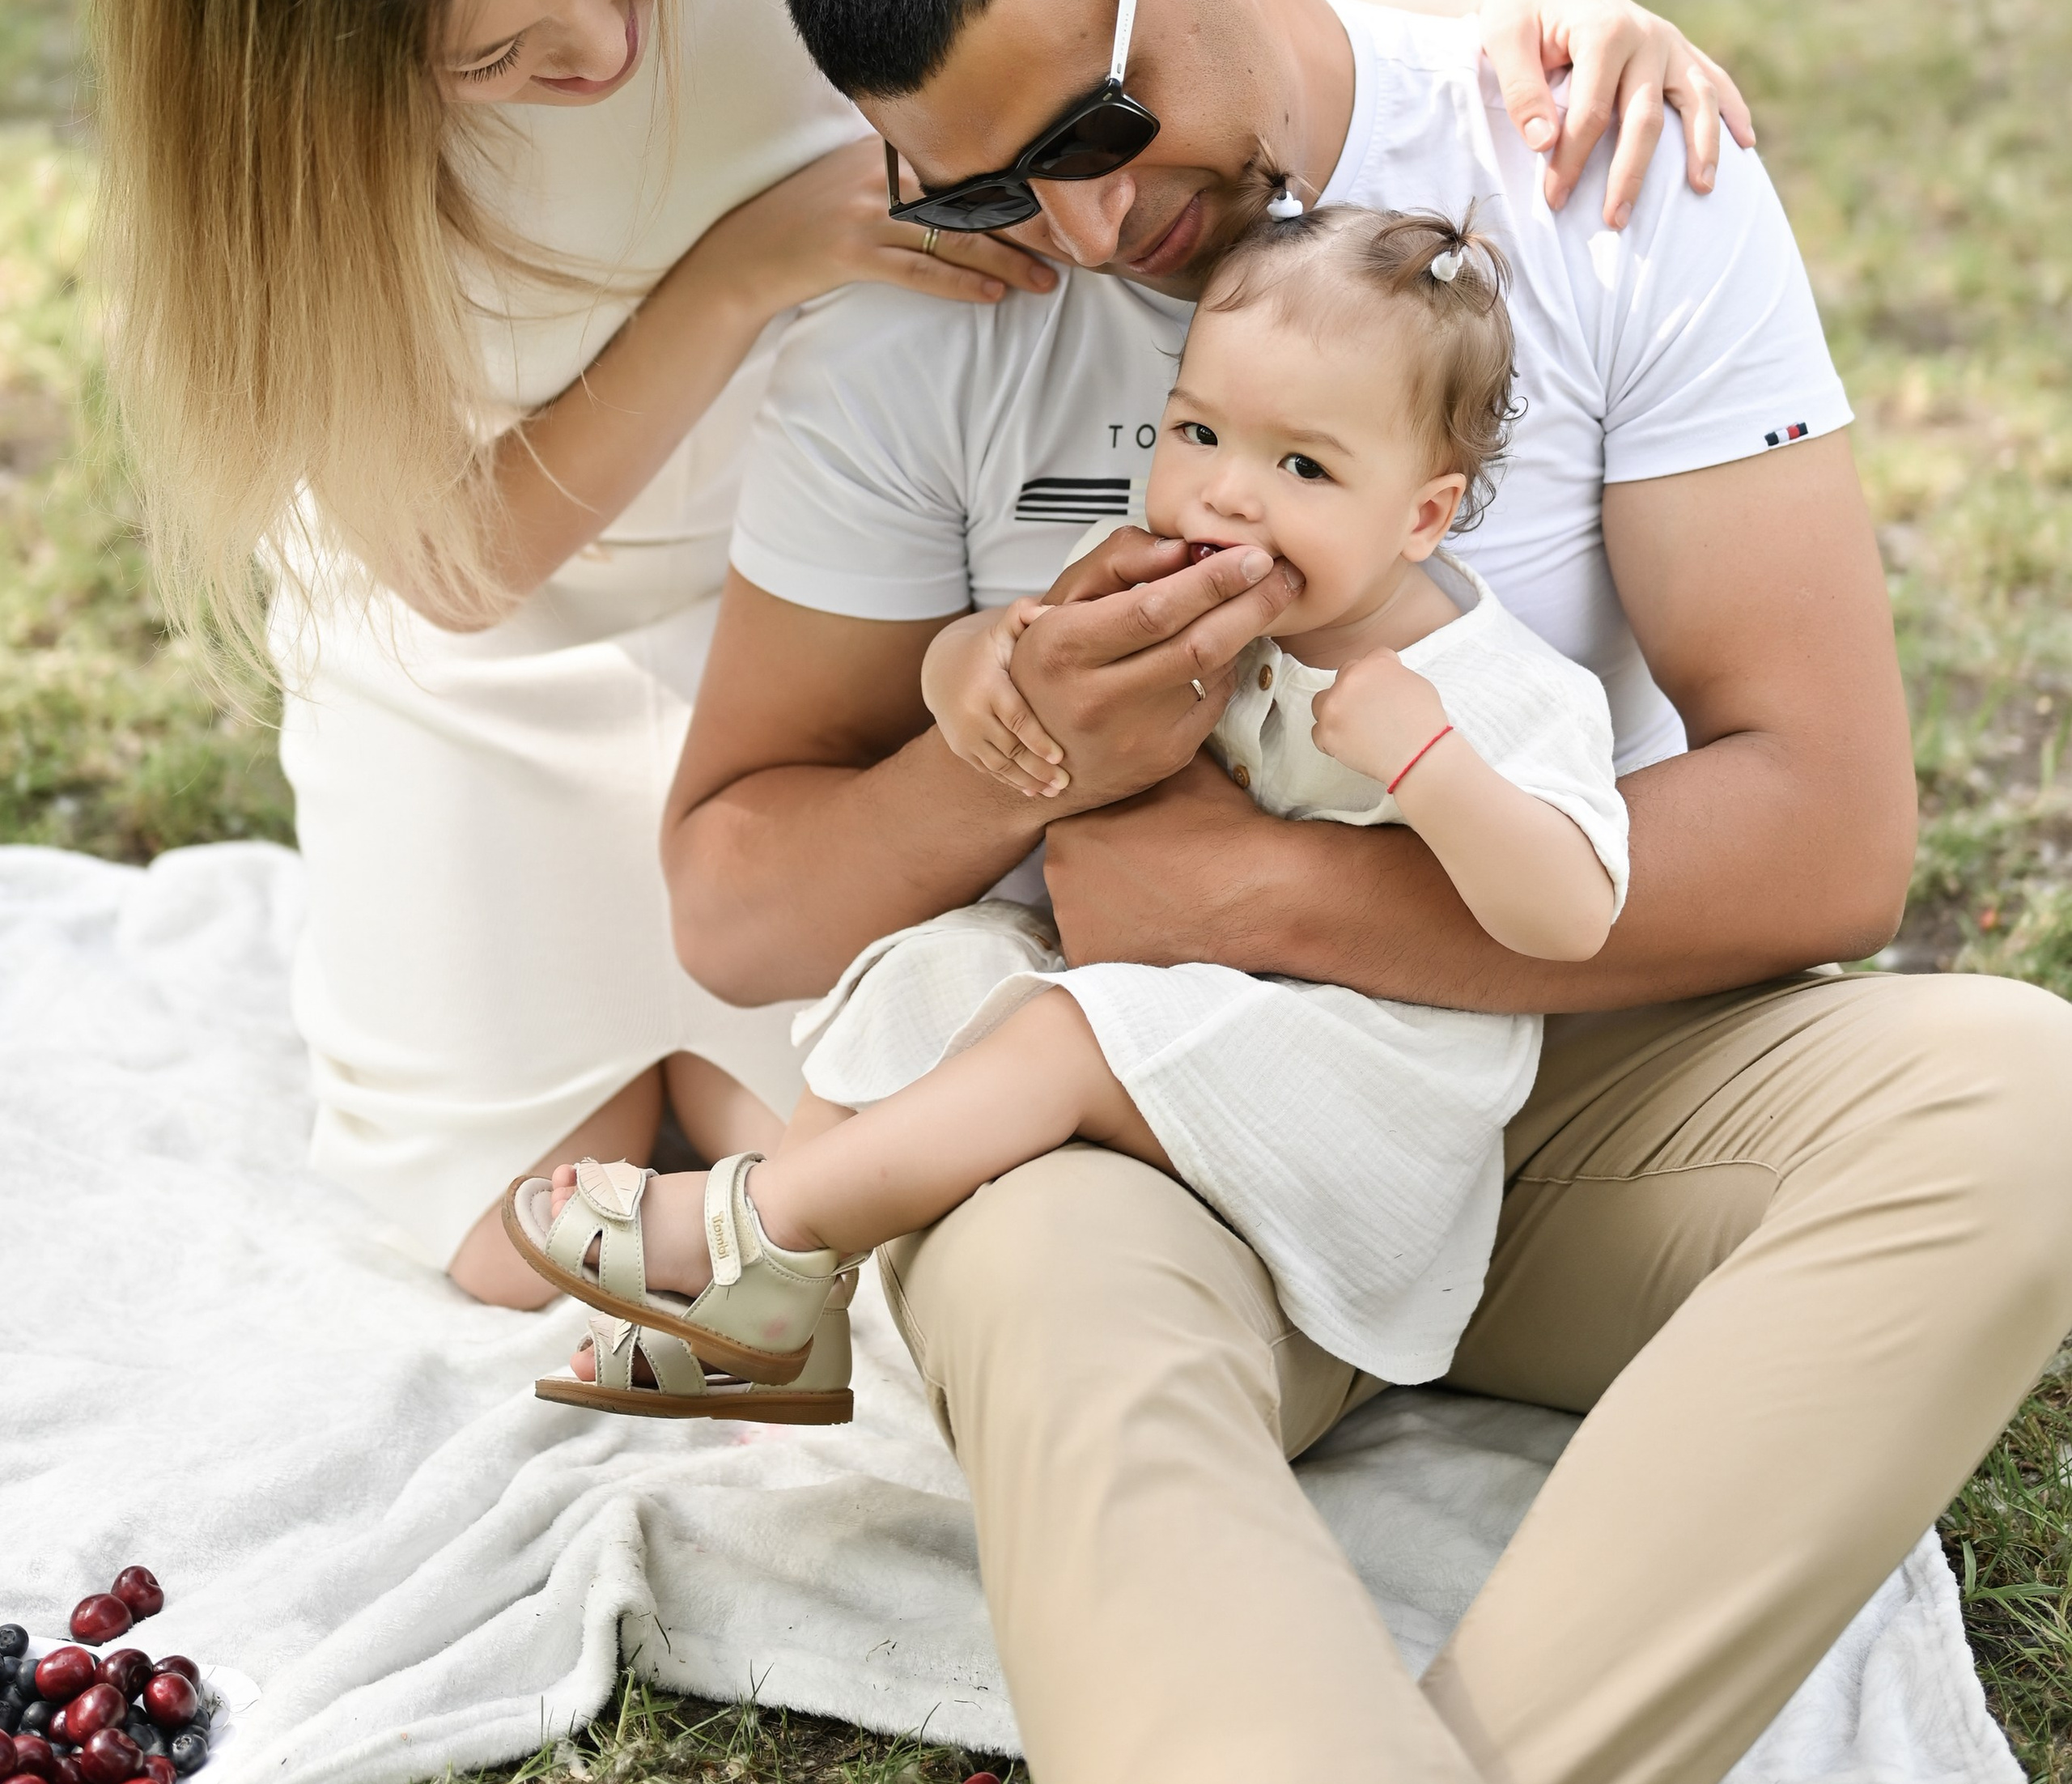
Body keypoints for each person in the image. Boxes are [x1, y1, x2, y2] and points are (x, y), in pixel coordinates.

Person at [663, 0, 2072, 1784]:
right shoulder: (933, 317)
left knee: (2020, 1098)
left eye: (1109, 129)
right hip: (1123, 1110)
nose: (1093, 223)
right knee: (1022, 1245)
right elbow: (734, 883)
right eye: (991, 180)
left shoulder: (1595, 160)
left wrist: (1270, 887)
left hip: (1524, 1079)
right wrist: (1003, 756)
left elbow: (1826, 833)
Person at [87, 0, 1717, 1340]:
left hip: (822, 583)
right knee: (502, 1241)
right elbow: (465, 568)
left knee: (922, 1121)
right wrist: (752, 265)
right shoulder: (279, 144)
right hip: (495, 637)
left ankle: (755, 1179)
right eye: (495, 58)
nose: (605, 48)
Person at [505, 202, 1625, 1409]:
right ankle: (773, 1319)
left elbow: (1569, 917)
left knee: (1061, 1035)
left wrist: (1429, 763)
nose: (1229, 497)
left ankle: (745, 1221)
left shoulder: (1488, 684)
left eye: (1303, 466)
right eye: (1198, 432)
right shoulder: (1174, 598)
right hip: (1189, 1016)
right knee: (935, 963)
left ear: (1424, 516)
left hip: (1371, 1088)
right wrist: (975, 669)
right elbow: (989, 652)